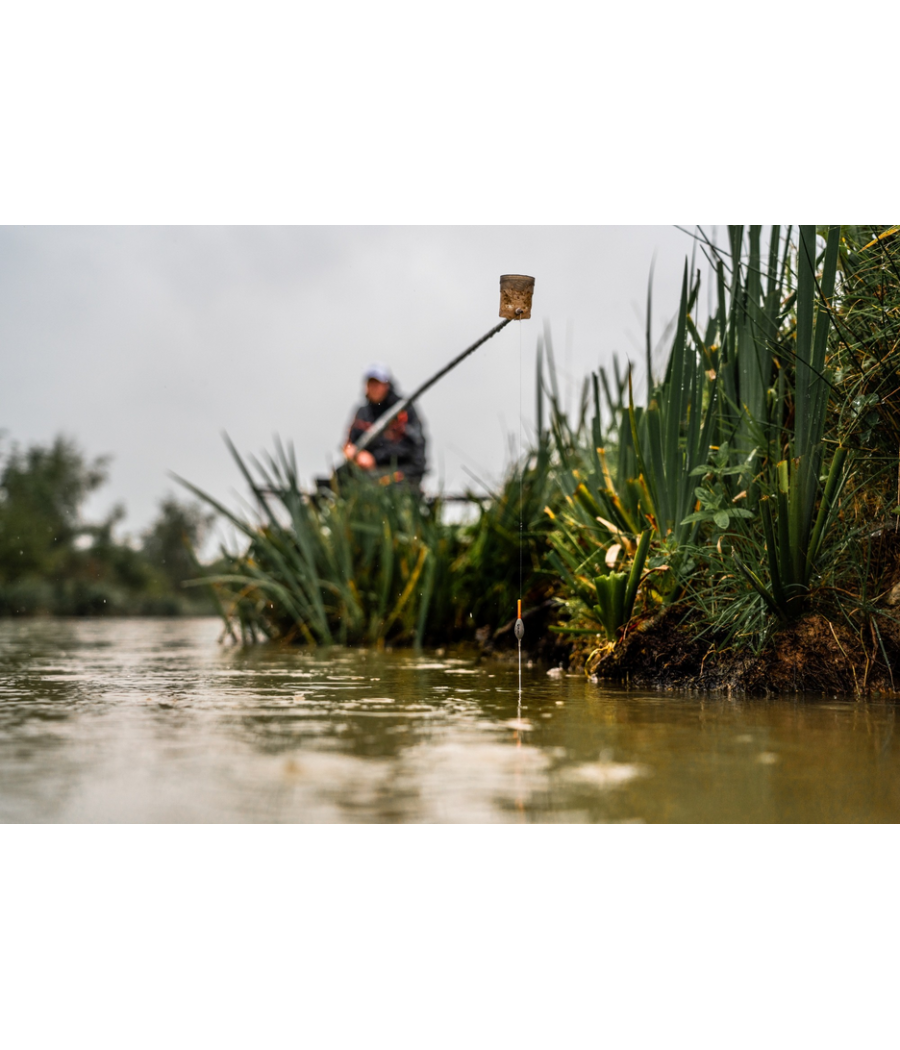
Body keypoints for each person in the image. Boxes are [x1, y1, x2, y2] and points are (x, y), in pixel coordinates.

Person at [342, 365, 427, 488]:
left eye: (378, 384)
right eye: (371, 384)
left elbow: (411, 447)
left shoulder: (403, 410)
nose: (374, 388)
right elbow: (349, 442)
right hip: (368, 472)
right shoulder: (362, 412)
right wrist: (352, 453)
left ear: (387, 385)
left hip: (401, 471)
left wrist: (374, 459)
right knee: (340, 476)